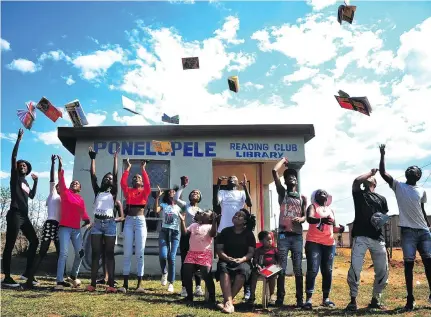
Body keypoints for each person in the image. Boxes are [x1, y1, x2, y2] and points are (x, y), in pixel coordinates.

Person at [379, 144, 429, 311]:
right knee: (409, 265)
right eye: (409, 168)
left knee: (429, 264)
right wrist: (382, 155)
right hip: (408, 232)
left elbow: (422, 209)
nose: (410, 169)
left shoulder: (422, 191)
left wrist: (428, 226)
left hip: (424, 232)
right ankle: (410, 299)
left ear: (418, 175)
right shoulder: (399, 186)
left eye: (414, 169)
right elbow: (383, 173)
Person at [345, 168, 389, 311]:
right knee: (355, 269)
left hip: (377, 238)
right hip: (361, 237)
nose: (367, 179)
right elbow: (356, 181)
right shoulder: (359, 195)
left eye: (370, 179)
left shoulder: (382, 199)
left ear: (375, 184)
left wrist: (381, 220)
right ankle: (353, 301)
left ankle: (376, 299)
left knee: (383, 270)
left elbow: (384, 217)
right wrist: (370, 173)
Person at [1, 128, 39, 288]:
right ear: (17, 168)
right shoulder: (15, 178)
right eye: (20, 165)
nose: (22, 166)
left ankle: (27, 273)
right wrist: (18, 139)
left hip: (25, 216)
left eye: (25, 166)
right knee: (10, 244)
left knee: (35, 241)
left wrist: (36, 182)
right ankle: (7, 278)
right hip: (15, 214)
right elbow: (14, 157)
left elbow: (31, 196)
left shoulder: (26, 183)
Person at [86, 147, 124, 293]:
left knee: (109, 254)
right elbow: (93, 175)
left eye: (110, 178)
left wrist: (115, 158)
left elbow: (115, 174)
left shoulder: (113, 193)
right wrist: (93, 158)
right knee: (96, 254)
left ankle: (111, 286)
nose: (108, 179)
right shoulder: (98, 191)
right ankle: (92, 284)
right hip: (96, 224)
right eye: (106, 178)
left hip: (109, 224)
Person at [272, 157, 307, 307]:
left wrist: (301, 218)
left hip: (298, 237)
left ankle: (300, 299)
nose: (291, 178)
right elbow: (274, 171)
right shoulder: (282, 193)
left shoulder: (302, 198)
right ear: (285, 182)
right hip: (283, 236)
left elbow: (305, 215)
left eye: (293, 176)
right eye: (287, 177)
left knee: (298, 268)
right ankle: (280, 298)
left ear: (297, 181)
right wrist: (283, 160)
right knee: (281, 267)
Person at [24, 155, 62, 289]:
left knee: (60, 253)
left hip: (59, 226)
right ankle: (29, 279)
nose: (58, 187)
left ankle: (60, 280)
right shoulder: (53, 194)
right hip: (50, 223)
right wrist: (54, 163)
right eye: (57, 186)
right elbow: (53, 178)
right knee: (42, 252)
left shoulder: (65, 199)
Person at [303, 190, 344, 310]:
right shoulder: (312, 206)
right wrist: (321, 220)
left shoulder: (331, 210)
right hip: (314, 242)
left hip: (329, 244)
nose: (322, 193)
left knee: (328, 270)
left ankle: (326, 298)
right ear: (315, 197)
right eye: (319, 192)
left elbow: (333, 228)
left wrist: (340, 229)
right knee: (313, 270)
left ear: (327, 197)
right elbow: (309, 219)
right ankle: (308, 299)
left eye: (325, 192)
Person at [55, 155, 91, 290]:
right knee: (64, 253)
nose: (74, 184)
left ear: (80, 188)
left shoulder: (80, 199)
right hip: (64, 228)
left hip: (76, 229)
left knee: (80, 253)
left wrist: (87, 220)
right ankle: (59, 281)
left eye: (76, 183)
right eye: (72, 183)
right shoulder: (65, 193)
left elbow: (84, 212)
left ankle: (73, 276)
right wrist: (61, 166)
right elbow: (61, 179)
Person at [215, 174, 253, 300]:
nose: (232, 178)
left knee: (244, 260)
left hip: (240, 229)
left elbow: (250, 203)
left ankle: (245, 289)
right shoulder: (222, 192)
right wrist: (218, 184)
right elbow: (216, 202)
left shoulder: (242, 192)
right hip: (224, 228)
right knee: (224, 260)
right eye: (230, 178)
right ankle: (229, 291)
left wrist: (245, 187)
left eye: (234, 178)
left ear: (238, 183)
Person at [118, 159, 151, 293]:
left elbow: (148, 183)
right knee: (127, 252)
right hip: (129, 221)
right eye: (134, 177)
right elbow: (122, 182)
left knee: (140, 253)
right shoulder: (128, 191)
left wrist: (143, 169)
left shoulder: (144, 191)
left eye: (139, 178)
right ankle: (125, 284)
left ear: (141, 182)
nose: (136, 178)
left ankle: (139, 285)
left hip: (140, 221)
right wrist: (128, 168)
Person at [216, 209, 256, 314]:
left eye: (240, 216)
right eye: (235, 215)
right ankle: (229, 303)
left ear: (245, 221)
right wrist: (227, 258)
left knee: (242, 271)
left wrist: (242, 259)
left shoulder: (249, 234)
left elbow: (251, 252)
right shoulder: (225, 231)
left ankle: (227, 302)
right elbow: (219, 250)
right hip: (226, 259)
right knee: (223, 268)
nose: (236, 216)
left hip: (243, 261)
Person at [179, 209, 218, 305]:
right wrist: (182, 221)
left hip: (205, 253)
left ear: (210, 218)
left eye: (205, 213)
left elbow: (213, 234)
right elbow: (184, 233)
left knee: (206, 274)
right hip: (192, 253)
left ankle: (212, 298)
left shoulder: (210, 226)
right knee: (186, 272)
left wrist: (214, 222)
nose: (202, 213)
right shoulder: (193, 225)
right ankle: (189, 297)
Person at [174, 176, 204, 297]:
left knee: (197, 262)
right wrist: (183, 187)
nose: (194, 194)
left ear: (199, 198)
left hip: (197, 239)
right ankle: (184, 288)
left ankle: (198, 287)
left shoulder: (201, 210)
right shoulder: (185, 205)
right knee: (185, 262)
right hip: (186, 237)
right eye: (192, 192)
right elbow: (176, 198)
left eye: (197, 193)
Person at [154, 185, 182, 293]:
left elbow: (186, 213)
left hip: (175, 233)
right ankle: (164, 272)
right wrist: (157, 198)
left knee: (172, 257)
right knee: (163, 255)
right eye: (170, 192)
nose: (172, 193)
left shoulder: (179, 206)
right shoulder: (164, 205)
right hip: (164, 231)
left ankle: (171, 283)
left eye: (174, 192)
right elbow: (156, 210)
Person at [249, 231, 280, 305]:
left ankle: (272, 295)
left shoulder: (274, 249)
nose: (270, 241)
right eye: (267, 239)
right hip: (261, 269)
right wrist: (257, 265)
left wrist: (276, 266)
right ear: (261, 241)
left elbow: (279, 261)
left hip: (272, 269)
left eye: (271, 239)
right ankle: (252, 295)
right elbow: (255, 260)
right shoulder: (258, 250)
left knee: (272, 274)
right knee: (254, 273)